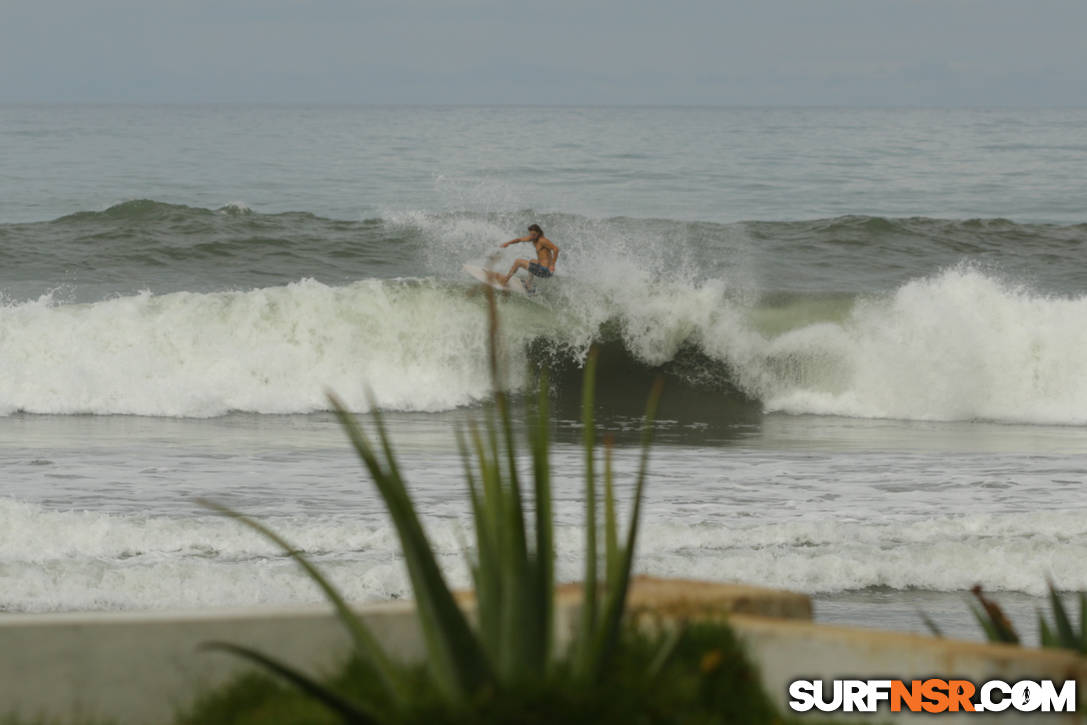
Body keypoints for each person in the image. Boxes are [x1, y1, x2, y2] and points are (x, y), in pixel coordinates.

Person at [499, 224, 558, 289]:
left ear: (538, 233)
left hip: (544, 271)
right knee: (532, 261)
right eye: (531, 234)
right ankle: (528, 284)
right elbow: (519, 239)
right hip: (543, 269)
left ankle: (504, 281)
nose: (532, 236)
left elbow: (556, 249)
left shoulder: (542, 240)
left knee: (518, 261)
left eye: (534, 234)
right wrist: (508, 243)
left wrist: (553, 265)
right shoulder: (533, 238)